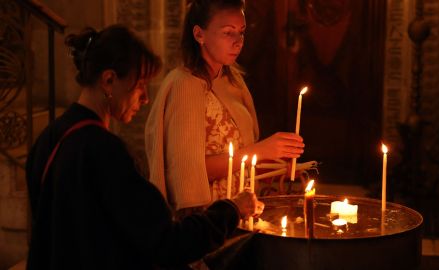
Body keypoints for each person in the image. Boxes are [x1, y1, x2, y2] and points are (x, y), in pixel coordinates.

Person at [26, 24, 261, 270]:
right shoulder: (104, 151)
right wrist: (232, 209)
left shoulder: (49, 138)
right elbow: (167, 243)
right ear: (109, 80)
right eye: (140, 85)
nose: (145, 98)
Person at [145, 0, 305, 214]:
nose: (238, 42)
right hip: (209, 218)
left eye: (242, 32)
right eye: (228, 33)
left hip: (242, 209)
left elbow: (240, 151)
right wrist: (260, 150)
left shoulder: (232, 79)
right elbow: (187, 172)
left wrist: (274, 164)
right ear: (199, 34)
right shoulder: (185, 85)